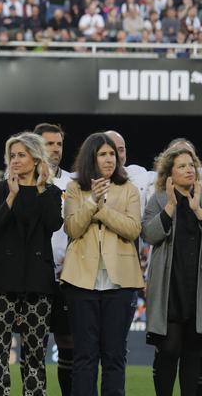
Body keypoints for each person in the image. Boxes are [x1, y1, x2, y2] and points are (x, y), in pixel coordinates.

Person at [63, 132, 143, 396]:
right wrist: (91, 201)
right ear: (91, 158)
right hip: (81, 282)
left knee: (114, 355)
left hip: (120, 282)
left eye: (113, 154)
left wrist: (101, 210)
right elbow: (73, 228)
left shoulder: (129, 189)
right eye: (103, 154)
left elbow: (132, 229)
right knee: (84, 356)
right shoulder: (75, 189)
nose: (111, 159)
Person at [0, 132, 63, 396]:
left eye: (21, 155)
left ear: (36, 158)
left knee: (35, 354)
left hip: (37, 282)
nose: (15, 161)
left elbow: (53, 224)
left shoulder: (51, 192)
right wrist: (12, 196)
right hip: (2, 281)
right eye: (12, 156)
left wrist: (40, 189)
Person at [143, 146, 202, 395]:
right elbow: (149, 234)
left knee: (194, 357)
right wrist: (169, 206)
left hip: (197, 293)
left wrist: (198, 210)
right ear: (169, 174)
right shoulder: (157, 199)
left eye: (191, 165)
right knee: (168, 352)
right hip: (170, 290)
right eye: (182, 166)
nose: (189, 169)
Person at [33, 122, 74, 394]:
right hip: (34, 275)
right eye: (49, 144)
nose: (55, 149)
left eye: (58, 143)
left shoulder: (74, 182)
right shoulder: (22, 181)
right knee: (34, 346)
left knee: (68, 344)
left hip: (66, 276)